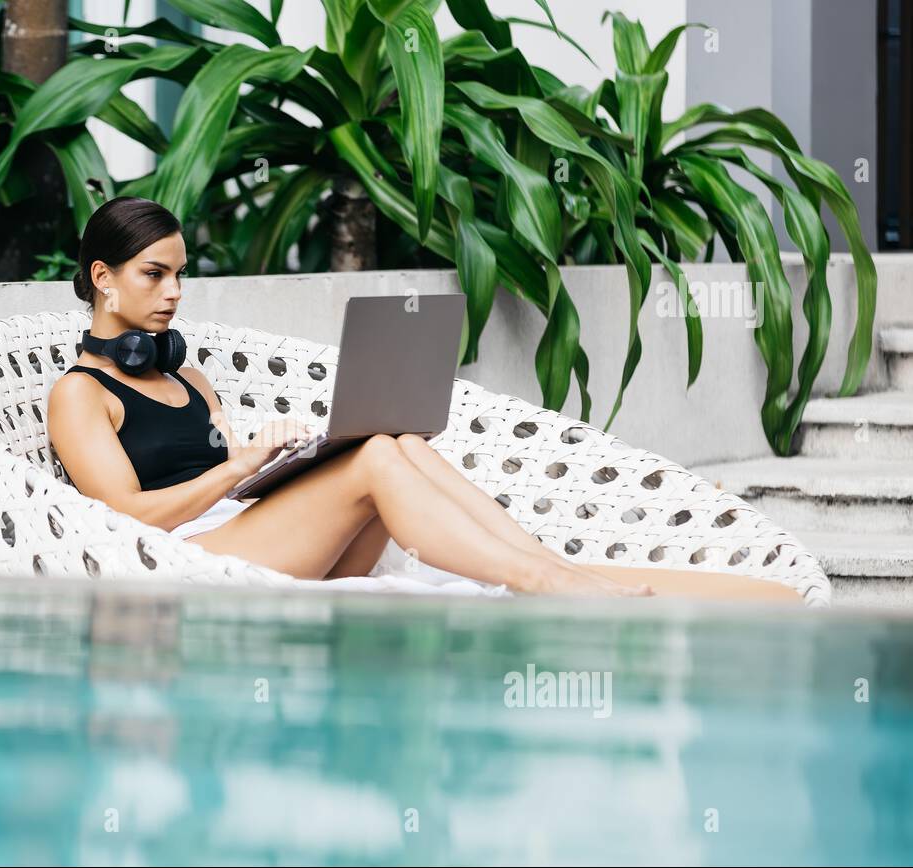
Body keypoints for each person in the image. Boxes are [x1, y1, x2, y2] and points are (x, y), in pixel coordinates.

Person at [47, 197, 802, 602]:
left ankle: (544, 562)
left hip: (250, 525)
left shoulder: (186, 376)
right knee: (376, 456)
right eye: (154, 274)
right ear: (104, 277)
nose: (175, 292)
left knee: (395, 438)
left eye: (182, 273)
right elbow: (125, 518)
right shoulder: (80, 395)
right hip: (185, 558)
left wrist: (277, 459)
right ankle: (543, 580)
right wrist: (235, 466)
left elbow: (227, 478)